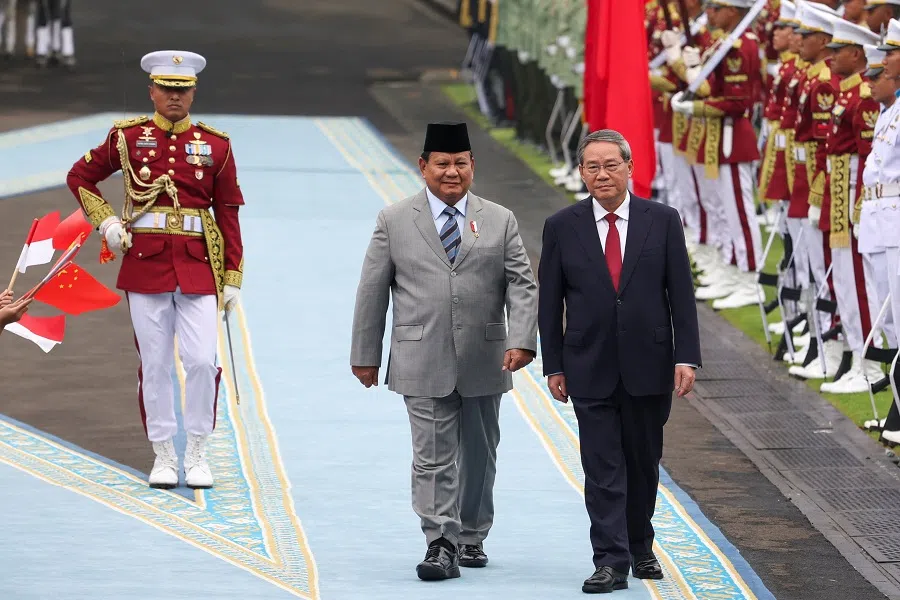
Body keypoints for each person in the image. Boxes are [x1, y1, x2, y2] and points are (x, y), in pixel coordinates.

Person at [349, 121, 538, 581]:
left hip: (486, 355)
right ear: (423, 167)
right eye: (442, 164)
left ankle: (472, 535)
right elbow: (372, 290)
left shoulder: (500, 219)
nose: (451, 172)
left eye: (459, 163)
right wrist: (365, 353)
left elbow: (522, 282)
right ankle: (440, 541)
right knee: (432, 455)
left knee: (479, 452)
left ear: (472, 165)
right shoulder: (394, 220)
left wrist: (521, 340)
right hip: (421, 355)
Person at [65, 50, 245, 490]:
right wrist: (106, 223)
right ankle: (164, 453)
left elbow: (228, 212)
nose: (175, 98)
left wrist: (233, 275)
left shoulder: (216, 145)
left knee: (202, 360)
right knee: (156, 362)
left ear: (193, 93)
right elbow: (80, 176)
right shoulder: (126, 138)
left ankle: (198, 450)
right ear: (152, 92)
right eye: (167, 89)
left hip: (199, 265)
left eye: (183, 91)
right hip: (145, 263)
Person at [537, 129, 701, 594]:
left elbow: (681, 295)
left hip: (649, 363)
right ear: (582, 172)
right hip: (588, 365)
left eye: (611, 165)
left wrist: (686, 356)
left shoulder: (662, 220)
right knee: (602, 466)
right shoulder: (561, 225)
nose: (602, 174)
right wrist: (554, 365)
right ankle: (610, 560)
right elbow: (550, 303)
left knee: (643, 462)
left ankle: (639, 543)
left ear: (629, 168)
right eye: (592, 166)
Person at [671, 0, 765, 310]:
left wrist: (695, 106)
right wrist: (689, 67)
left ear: (734, 10)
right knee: (723, 209)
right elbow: (709, 87)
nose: (709, 13)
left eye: (716, 7)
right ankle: (731, 268)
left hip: (732, 137)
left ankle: (750, 279)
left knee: (739, 210)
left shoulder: (741, 45)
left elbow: (737, 103)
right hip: (718, 136)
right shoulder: (725, 41)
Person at [815, 20, 883, 393]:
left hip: (852, 193)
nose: (830, 56)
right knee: (844, 279)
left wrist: (859, 207)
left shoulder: (865, 96)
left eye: (837, 50)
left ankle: (871, 362)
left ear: (856, 54)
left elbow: (869, 158)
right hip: (837, 192)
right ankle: (858, 356)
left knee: (859, 281)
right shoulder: (847, 93)